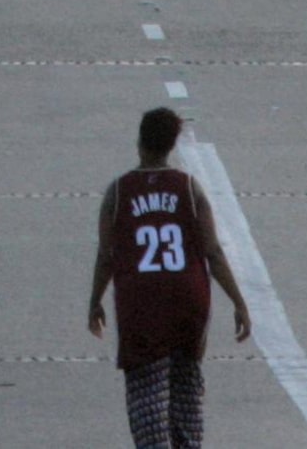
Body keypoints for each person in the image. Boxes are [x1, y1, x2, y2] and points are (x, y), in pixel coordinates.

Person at [87, 106, 249, 449]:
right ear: (172, 145)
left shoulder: (119, 193)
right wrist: (238, 301)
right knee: (186, 391)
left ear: (139, 142)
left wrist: (95, 301)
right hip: (188, 302)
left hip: (142, 307)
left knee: (147, 400)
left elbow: (107, 256)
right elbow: (213, 252)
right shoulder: (189, 189)